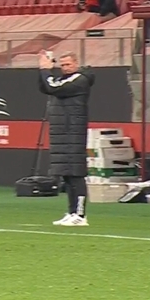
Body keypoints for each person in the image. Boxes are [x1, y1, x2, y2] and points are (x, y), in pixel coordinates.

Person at [37, 51, 95, 227]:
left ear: (76, 63)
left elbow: (53, 87)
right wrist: (43, 71)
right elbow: (46, 87)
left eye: (68, 64)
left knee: (76, 174)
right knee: (67, 174)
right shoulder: (64, 80)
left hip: (73, 131)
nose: (65, 68)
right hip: (63, 132)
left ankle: (81, 215)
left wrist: (45, 70)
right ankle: (71, 212)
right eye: (62, 65)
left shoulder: (79, 80)